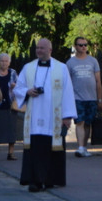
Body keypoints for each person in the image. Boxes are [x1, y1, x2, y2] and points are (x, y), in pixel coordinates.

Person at [13, 39, 77, 192]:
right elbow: (18, 87)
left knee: (53, 149)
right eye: (37, 48)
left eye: (42, 48)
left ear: (50, 50)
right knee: (35, 149)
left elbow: (68, 91)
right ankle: (34, 180)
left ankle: (51, 179)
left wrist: (67, 116)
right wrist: (27, 92)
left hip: (53, 118)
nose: (39, 50)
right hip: (34, 117)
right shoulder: (28, 68)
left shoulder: (61, 68)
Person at [66, 36, 102, 157]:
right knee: (80, 122)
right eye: (80, 45)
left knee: (88, 123)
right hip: (77, 98)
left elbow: (98, 81)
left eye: (85, 45)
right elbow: (67, 83)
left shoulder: (93, 61)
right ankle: (80, 147)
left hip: (92, 98)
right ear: (75, 46)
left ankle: (84, 147)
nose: (83, 47)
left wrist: (100, 99)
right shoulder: (70, 63)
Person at [0, 52, 19, 160]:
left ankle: (11, 152)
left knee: (11, 129)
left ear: (9, 62)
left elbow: (20, 86)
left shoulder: (12, 73)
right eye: (2, 61)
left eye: (6, 61)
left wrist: (14, 86)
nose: (4, 63)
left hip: (9, 104)